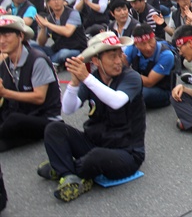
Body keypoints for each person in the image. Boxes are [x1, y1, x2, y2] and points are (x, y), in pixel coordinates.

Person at [38, 32, 145, 202]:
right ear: (96, 61)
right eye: (112, 56)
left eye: (119, 54)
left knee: (96, 157)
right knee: (54, 128)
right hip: (95, 142)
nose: (118, 61)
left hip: (126, 152)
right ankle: (68, 174)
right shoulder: (93, 79)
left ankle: (64, 167)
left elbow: (117, 101)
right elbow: (68, 108)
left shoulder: (131, 77)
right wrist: (74, 82)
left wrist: (86, 78)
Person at [0, 16, 61, 152]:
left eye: (6, 35)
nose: (2, 40)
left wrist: (4, 92)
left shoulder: (37, 60)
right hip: (21, 113)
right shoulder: (5, 64)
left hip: (44, 118)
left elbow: (39, 97)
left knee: (13, 119)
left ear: (21, 36)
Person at [124, 24, 175, 109]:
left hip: (160, 89)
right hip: (138, 83)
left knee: (140, 94)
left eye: (150, 41)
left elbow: (149, 82)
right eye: (143, 44)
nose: (148, 47)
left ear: (154, 38)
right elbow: (120, 69)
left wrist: (126, 72)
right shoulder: (132, 48)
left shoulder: (166, 54)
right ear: (136, 44)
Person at [36, 0, 88, 67]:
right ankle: (51, 61)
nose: (56, 1)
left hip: (76, 49)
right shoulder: (50, 18)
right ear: (48, 3)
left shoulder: (73, 13)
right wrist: (43, 28)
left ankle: (48, 62)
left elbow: (67, 32)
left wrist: (47, 24)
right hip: (57, 49)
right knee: (32, 45)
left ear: (63, 0)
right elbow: (41, 43)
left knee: (63, 54)